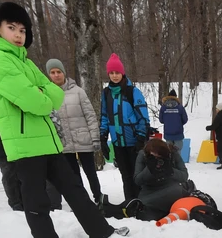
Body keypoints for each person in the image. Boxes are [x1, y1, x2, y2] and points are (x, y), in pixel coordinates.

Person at [0, 2, 126, 238]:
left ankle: (101, 232)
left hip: (47, 141)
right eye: (11, 28)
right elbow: (38, 100)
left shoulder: (24, 61)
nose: (18, 35)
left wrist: (43, 94)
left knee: (75, 190)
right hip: (24, 145)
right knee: (36, 200)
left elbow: (55, 94)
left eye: (22, 30)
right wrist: (42, 95)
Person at [0, 88, 61, 211]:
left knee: (33, 172)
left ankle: (43, 202)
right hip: (2, 141)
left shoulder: (18, 89)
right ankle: (17, 204)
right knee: (9, 174)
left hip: (25, 139)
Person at [46, 59, 106, 204]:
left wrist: (95, 138)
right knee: (73, 175)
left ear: (64, 73)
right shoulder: (47, 94)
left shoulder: (78, 92)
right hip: (64, 142)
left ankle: (99, 198)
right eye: (52, 73)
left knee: (90, 172)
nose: (56, 75)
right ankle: (82, 201)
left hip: (83, 139)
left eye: (58, 72)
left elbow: (90, 115)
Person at [98, 54, 149, 202]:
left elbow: (143, 117)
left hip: (134, 142)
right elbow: (105, 117)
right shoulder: (106, 93)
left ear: (122, 73)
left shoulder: (132, 92)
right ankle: (130, 203)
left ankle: (142, 202)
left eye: (117, 73)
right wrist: (103, 137)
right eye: (111, 73)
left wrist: (141, 137)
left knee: (137, 175)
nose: (114, 76)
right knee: (125, 176)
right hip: (118, 143)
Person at [105, 138, 192, 222]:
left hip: (170, 189)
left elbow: (184, 176)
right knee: (146, 215)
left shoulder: (173, 154)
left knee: (177, 191)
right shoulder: (142, 155)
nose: (157, 159)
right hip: (150, 192)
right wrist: (149, 169)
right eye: (153, 156)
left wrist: (170, 171)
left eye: (160, 156)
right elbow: (137, 180)